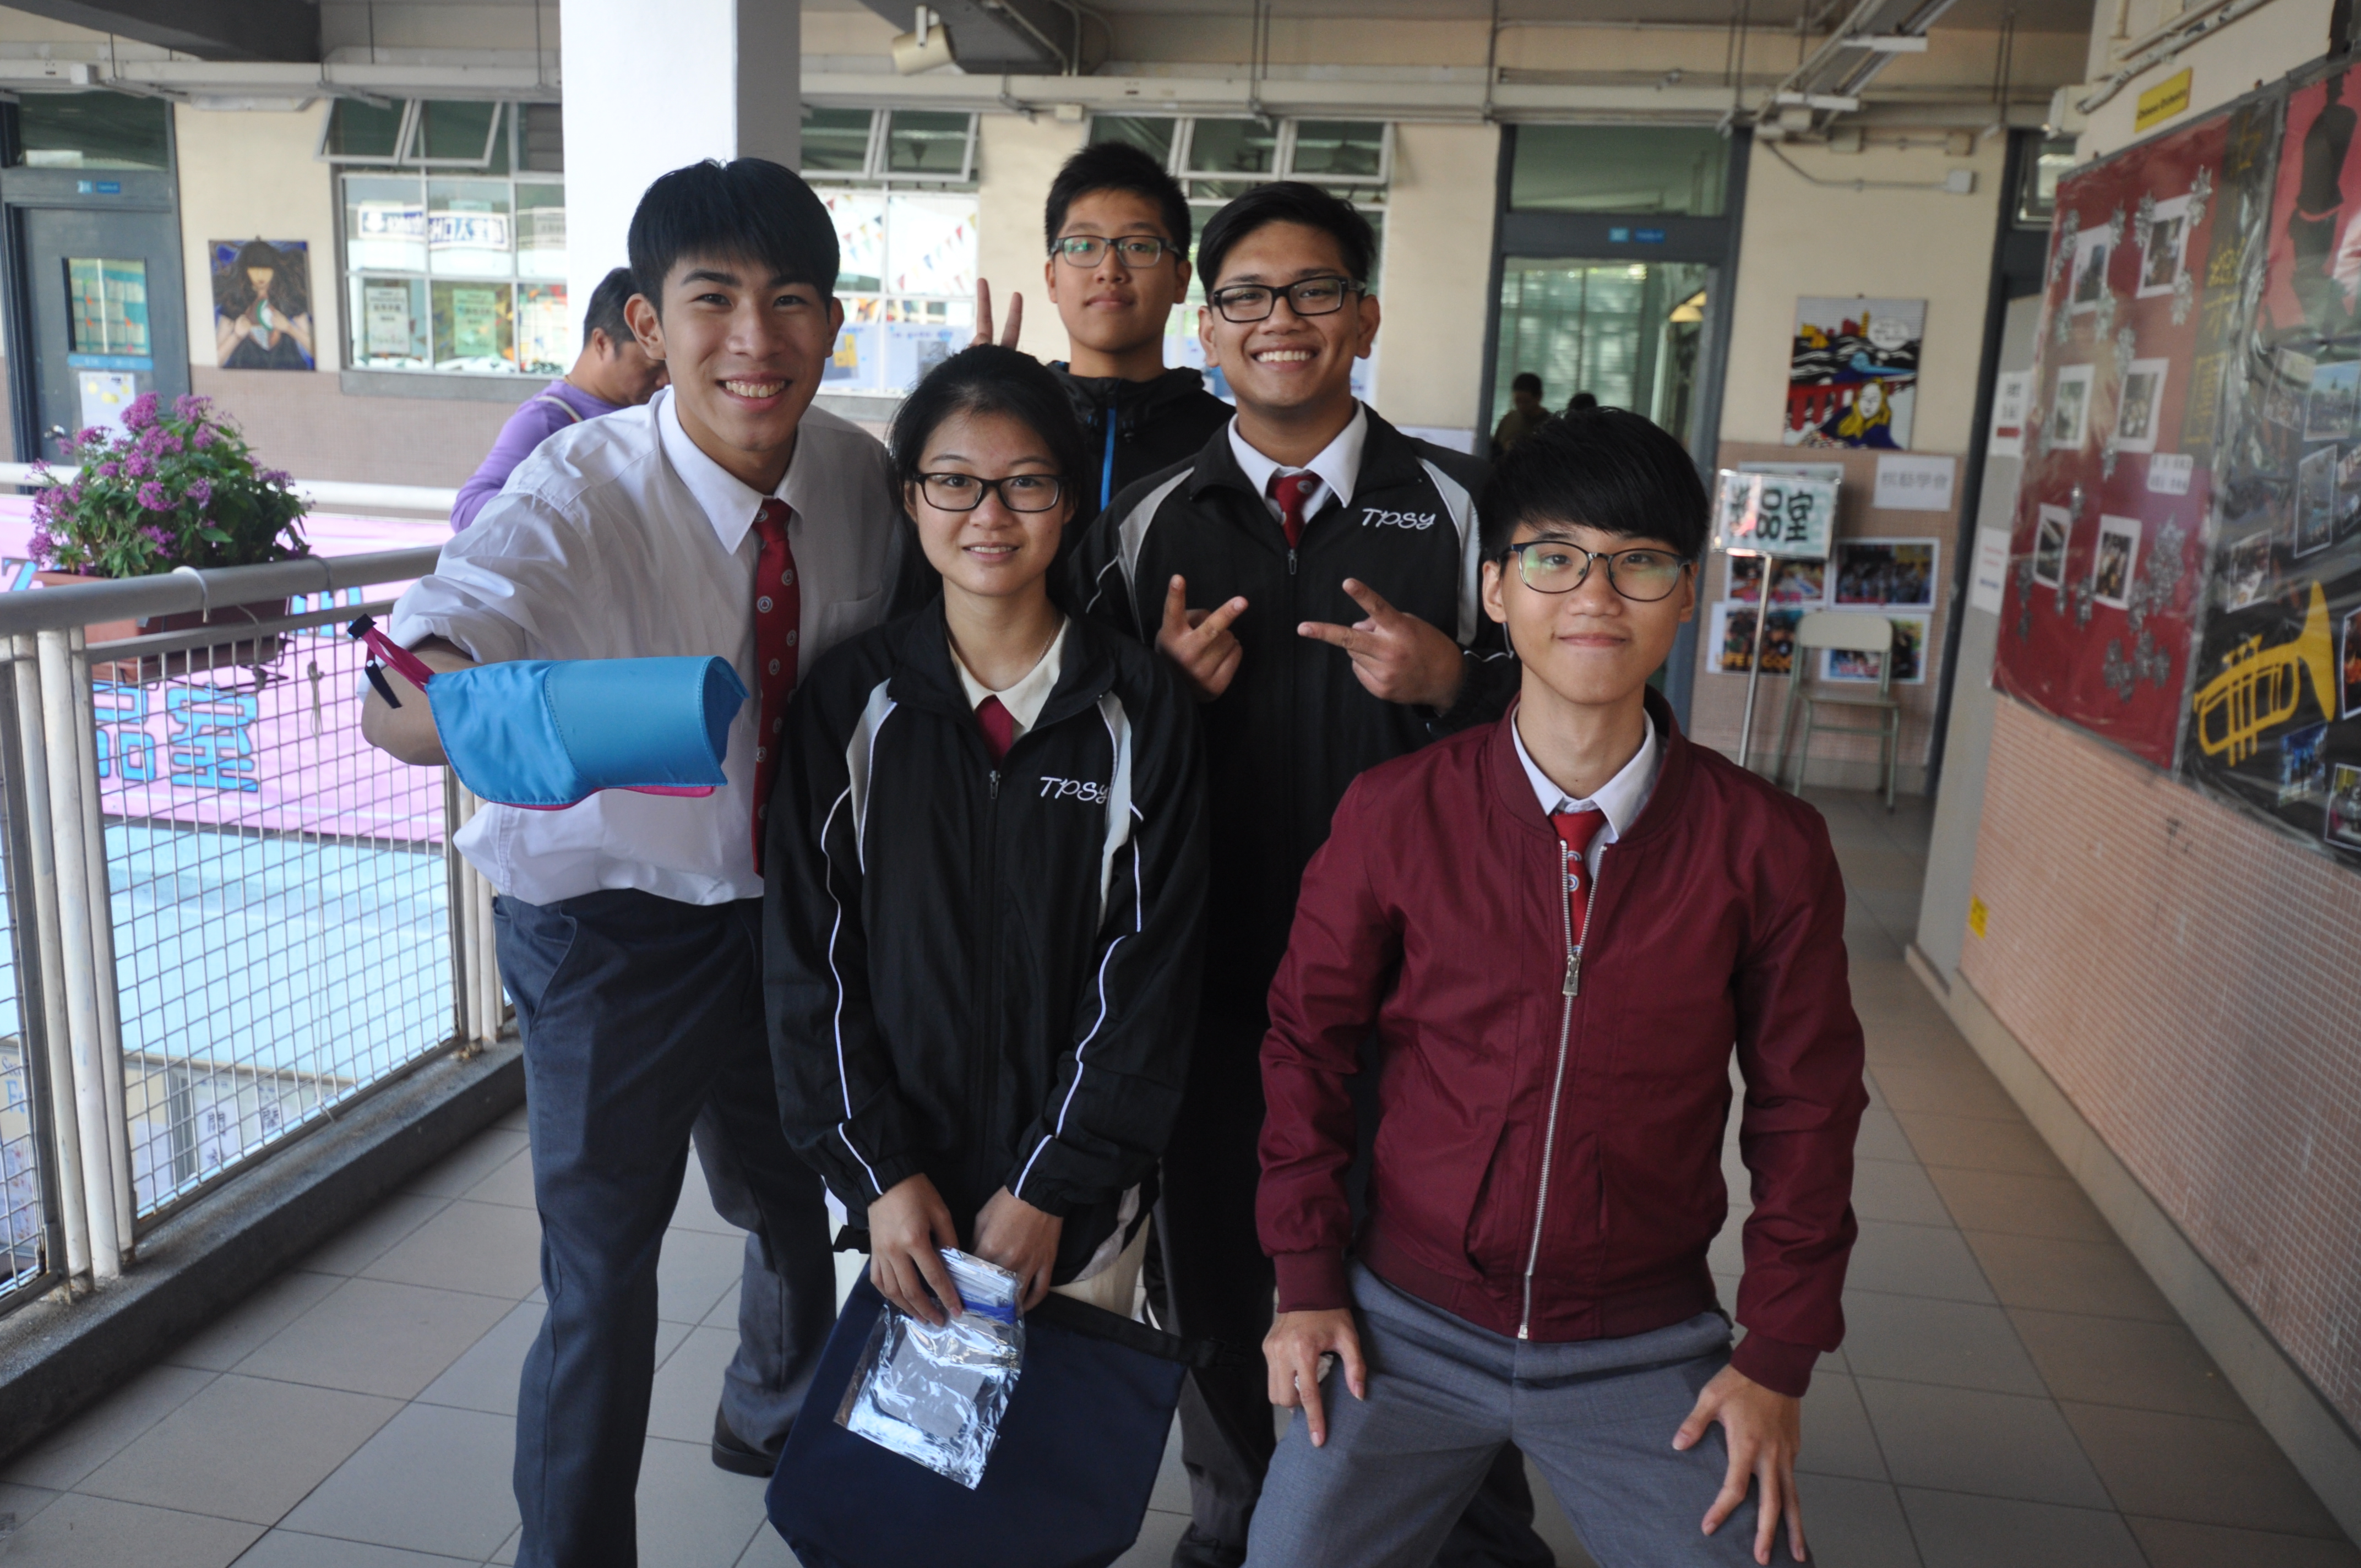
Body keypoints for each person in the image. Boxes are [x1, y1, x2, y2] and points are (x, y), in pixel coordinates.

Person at [360, 157, 907, 1568]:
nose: (754, 338)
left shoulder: (859, 477)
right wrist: (507, 711)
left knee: (794, 1201)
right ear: (649, 323)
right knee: (602, 1276)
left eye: (790, 300)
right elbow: (410, 682)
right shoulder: (575, 490)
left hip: (788, 915)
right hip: (605, 927)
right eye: (712, 299)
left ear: (832, 318)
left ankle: (767, 1410)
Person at [1246, 409, 1867, 1568]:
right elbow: (1305, 1045)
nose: (1595, 595)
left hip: (1639, 1341)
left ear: (1686, 595)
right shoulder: (1396, 814)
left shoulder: (1766, 846)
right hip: (1402, 1327)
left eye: (1638, 561)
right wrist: (1306, 1278)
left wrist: (1776, 1353)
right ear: (1494, 589)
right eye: (1554, 557)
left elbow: (1807, 1106)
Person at [1065, 181, 1536, 1568]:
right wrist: (1154, 697)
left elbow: (1585, 710)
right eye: (1247, 297)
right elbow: (1068, 755)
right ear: (1206, 328)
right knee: (1221, 1292)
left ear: (1365, 316)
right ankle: (1242, 1534)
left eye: (1315, 290)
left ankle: (1464, 1542)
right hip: (1211, 995)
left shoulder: (1463, 509)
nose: (1282, 319)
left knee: (1438, 1296)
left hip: (1432, 1008)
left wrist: (1458, 680)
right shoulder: (1144, 523)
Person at [766, 343, 1208, 1331]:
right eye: (955, 482)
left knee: (1062, 1432)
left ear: (1070, 500)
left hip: (1077, 1217)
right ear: (911, 497)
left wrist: (1050, 1183)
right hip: (892, 1218)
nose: (989, 515)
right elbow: (810, 965)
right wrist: (881, 1175)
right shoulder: (848, 703)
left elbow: (1148, 973)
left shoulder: (1141, 707)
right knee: (883, 1433)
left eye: (1026, 484)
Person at [971, 140, 1232, 511]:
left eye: (1139, 246)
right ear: (1052, 279)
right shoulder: (1013, 422)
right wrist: (965, 412)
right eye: (1083, 246)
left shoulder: (1228, 445)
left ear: (1180, 279)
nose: (1109, 270)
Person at [450, 266, 669, 529]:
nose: (666, 381)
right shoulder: (544, 421)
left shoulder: (655, 410)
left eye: (670, 366)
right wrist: (570, 500)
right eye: (653, 367)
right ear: (602, 343)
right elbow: (465, 513)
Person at [214, 238, 315, 370]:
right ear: (246, 270)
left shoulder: (289, 301)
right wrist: (236, 337)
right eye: (254, 269)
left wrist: (290, 328)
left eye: (266, 269)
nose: (260, 275)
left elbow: (316, 351)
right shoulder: (235, 304)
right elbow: (216, 361)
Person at [1490, 373, 1547, 458]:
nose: (1521, 406)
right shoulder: (1509, 419)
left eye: (1526, 402)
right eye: (1518, 401)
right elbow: (1495, 448)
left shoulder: (1548, 424)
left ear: (1539, 397)